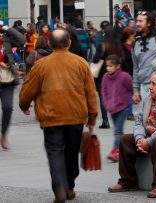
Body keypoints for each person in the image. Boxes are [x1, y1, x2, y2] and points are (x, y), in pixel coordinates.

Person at [19, 29, 98, 202]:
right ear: (69, 43)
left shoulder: (41, 65)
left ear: (49, 44)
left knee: (55, 153)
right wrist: (92, 118)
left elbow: (27, 89)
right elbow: (91, 93)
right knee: (71, 153)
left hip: (51, 118)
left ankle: (59, 188)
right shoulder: (81, 63)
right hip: (75, 117)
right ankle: (69, 186)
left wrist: (24, 105)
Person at [108, 70, 156, 198]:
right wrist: (140, 139)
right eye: (150, 83)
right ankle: (128, 181)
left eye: (153, 84)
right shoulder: (148, 98)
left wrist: (148, 142)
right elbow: (139, 121)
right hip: (150, 137)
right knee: (125, 140)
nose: (149, 87)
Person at [102, 55, 132, 162]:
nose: (108, 68)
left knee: (117, 131)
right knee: (118, 131)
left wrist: (134, 96)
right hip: (112, 109)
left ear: (118, 66)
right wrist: (106, 104)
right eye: (107, 66)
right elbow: (104, 92)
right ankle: (123, 150)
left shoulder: (124, 76)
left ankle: (114, 151)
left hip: (122, 108)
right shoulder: (105, 77)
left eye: (111, 66)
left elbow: (130, 87)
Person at [93, 26, 125, 129]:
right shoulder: (118, 46)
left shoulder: (102, 45)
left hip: (103, 73)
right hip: (116, 73)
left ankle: (105, 120)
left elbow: (95, 59)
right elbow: (122, 59)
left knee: (103, 96)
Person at [0, 22, 22, 150]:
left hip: (7, 80)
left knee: (7, 107)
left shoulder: (7, 40)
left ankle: (3, 134)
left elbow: (22, 40)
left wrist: (8, 29)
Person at [121, 27, 136, 121]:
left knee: (131, 92)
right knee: (128, 93)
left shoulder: (135, 45)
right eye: (133, 35)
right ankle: (129, 112)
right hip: (126, 72)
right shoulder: (122, 46)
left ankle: (128, 111)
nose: (135, 36)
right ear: (129, 36)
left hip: (134, 72)